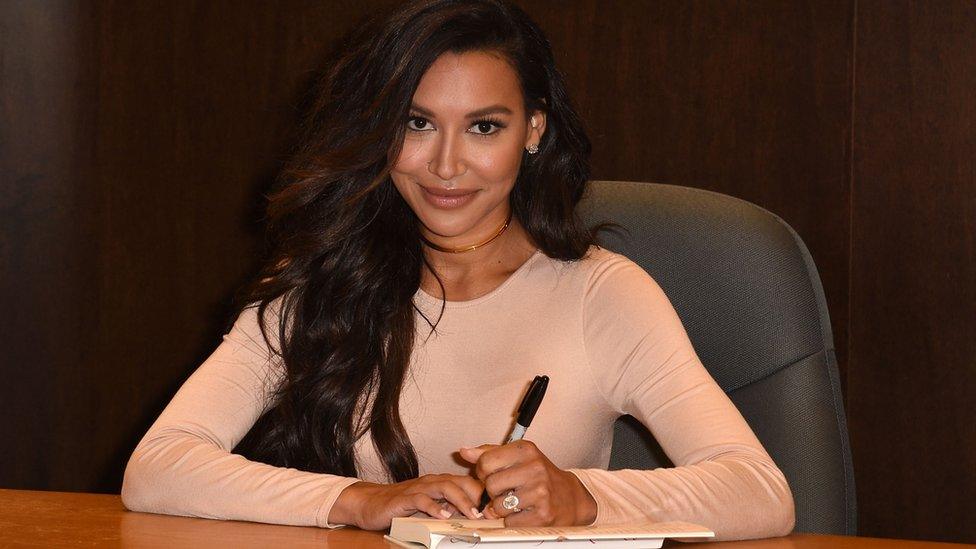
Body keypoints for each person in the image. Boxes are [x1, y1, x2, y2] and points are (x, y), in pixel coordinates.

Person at [121, 0, 795, 540]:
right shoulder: (322, 278)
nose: (445, 165)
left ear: (533, 131)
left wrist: (582, 495)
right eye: (417, 123)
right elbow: (156, 469)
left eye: (483, 127)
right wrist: (357, 501)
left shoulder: (602, 293)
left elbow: (761, 492)